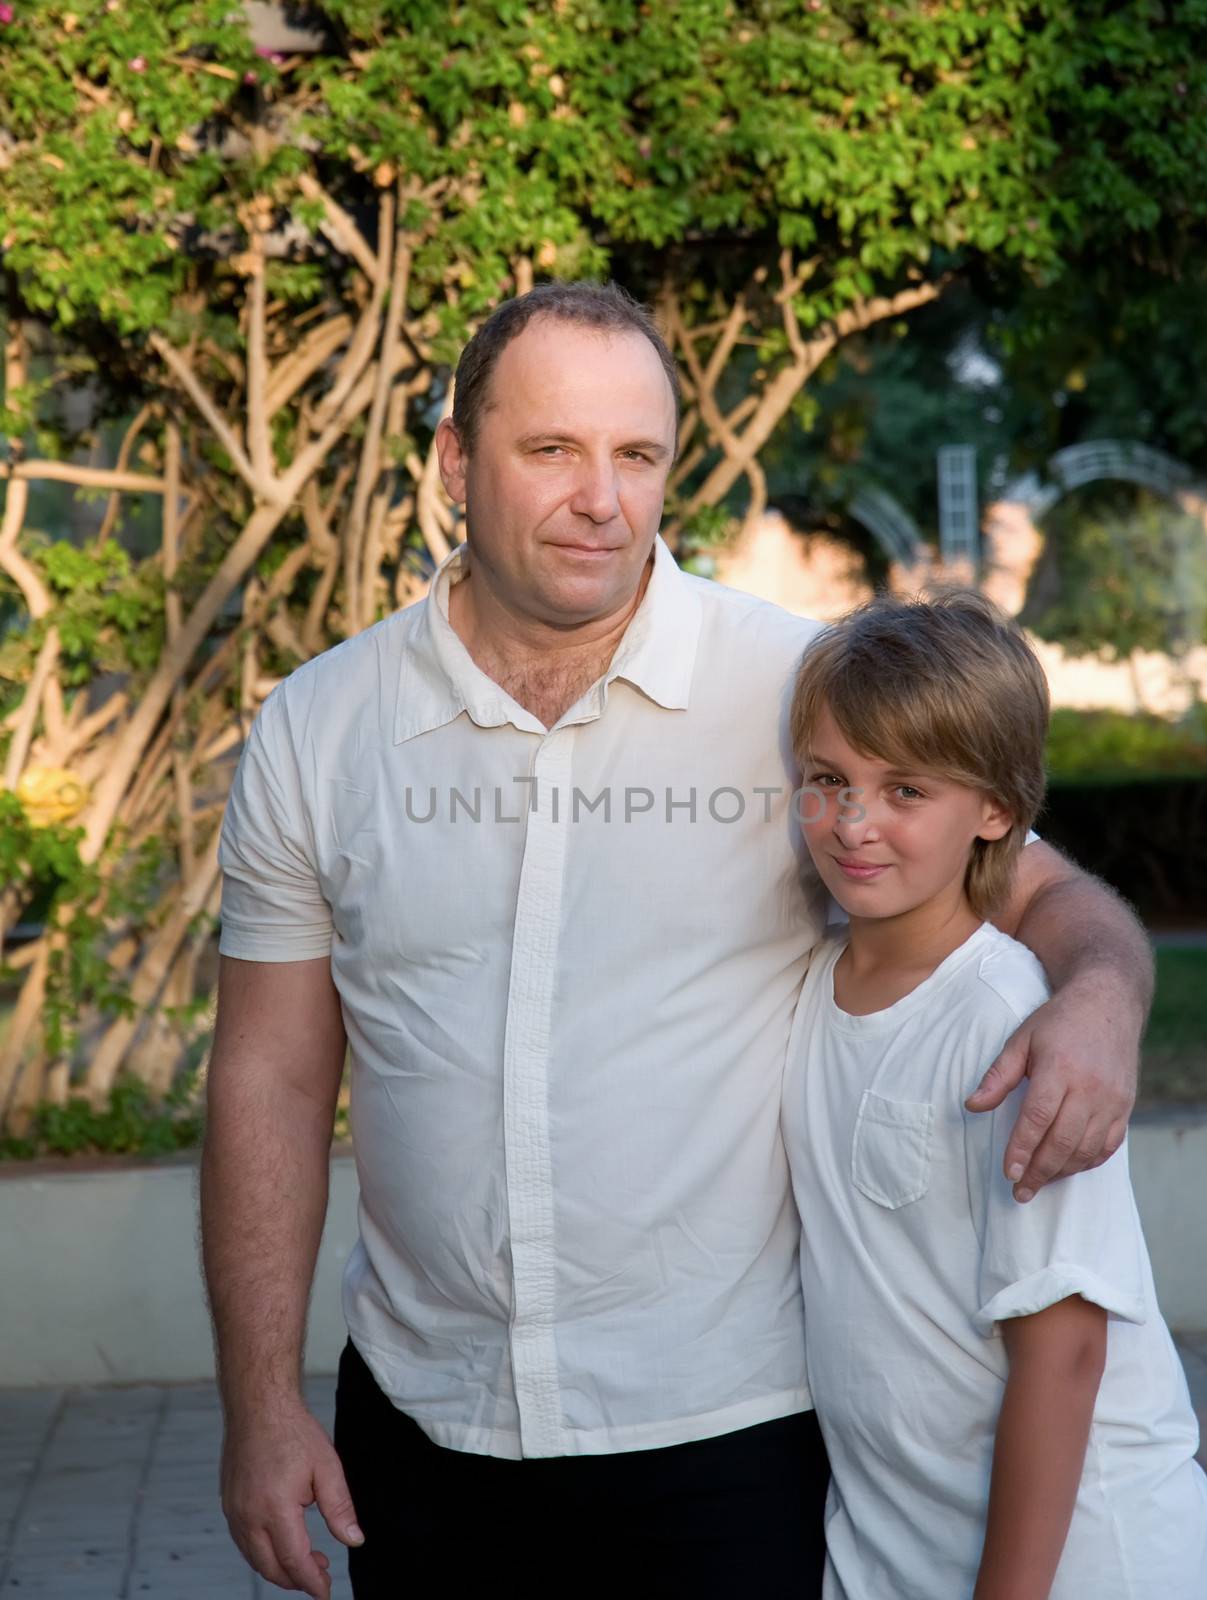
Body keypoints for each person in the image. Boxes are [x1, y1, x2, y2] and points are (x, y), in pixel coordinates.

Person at [200, 281, 1154, 1600]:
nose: (603, 497)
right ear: (453, 464)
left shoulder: (796, 692)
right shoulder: (318, 728)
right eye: (551, 451)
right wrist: (259, 1407)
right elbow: (269, 1076)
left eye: (636, 456)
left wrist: (1098, 997)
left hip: (728, 1437)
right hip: (421, 1432)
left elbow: (1038, 888)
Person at [781, 590, 1207, 1600]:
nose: (854, 823)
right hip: (897, 1547)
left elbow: (1062, 1353)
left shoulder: (1006, 1019)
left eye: (905, 791)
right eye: (828, 779)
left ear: (997, 813)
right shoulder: (809, 990)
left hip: (1081, 1565)